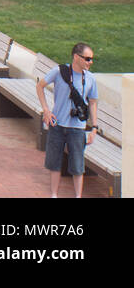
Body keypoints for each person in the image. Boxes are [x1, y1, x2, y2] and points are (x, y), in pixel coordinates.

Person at [37, 43, 100, 199]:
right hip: (57, 125)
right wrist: (46, 110)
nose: (90, 62)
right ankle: (54, 195)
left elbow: (92, 103)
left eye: (91, 59)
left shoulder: (90, 78)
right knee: (54, 163)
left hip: (78, 128)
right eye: (87, 59)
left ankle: (78, 196)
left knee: (78, 166)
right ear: (76, 57)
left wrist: (94, 128)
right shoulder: (60, 72)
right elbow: (40, 86)